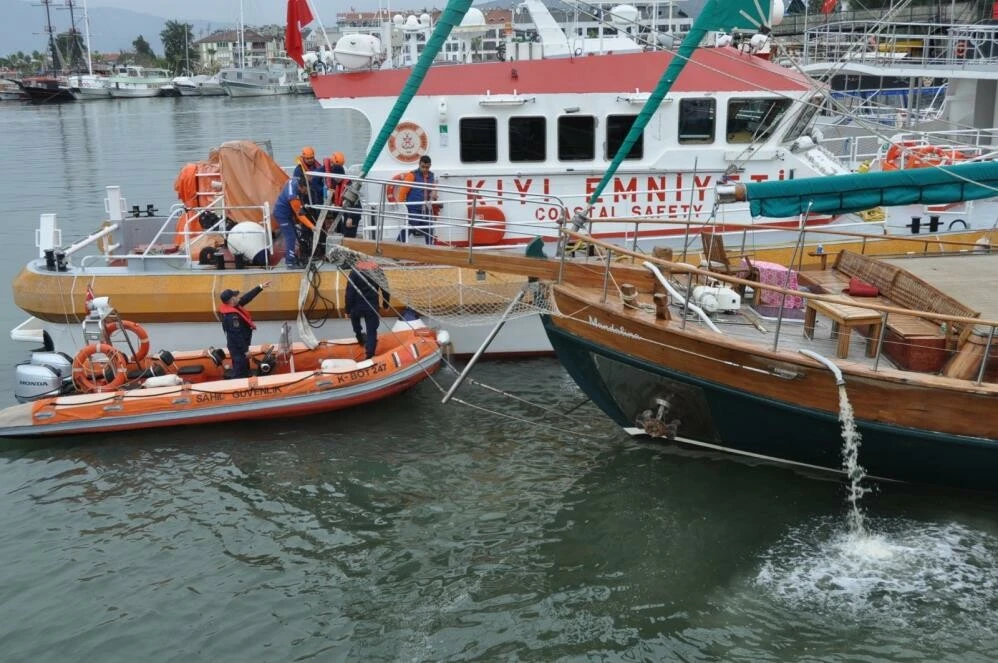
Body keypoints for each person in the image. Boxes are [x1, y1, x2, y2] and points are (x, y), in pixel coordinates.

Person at [219, 282, 270, 378]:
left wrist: (260, 287)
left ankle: (246, 378)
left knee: (245, 368)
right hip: (238, 349)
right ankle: (238, 388)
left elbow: (246, 298)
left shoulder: (233, 306)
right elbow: (236, 336)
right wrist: (245, 350)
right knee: (240, 371)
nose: (238, 297)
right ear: (231, 299)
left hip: (240, 346)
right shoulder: (232, 317)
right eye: (235, 296)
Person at [344, 260, 390, 359]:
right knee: (371, 330)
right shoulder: (377, 270)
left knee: (355, 320)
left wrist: (347, 310)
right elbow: (385, 288)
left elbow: (349, 292)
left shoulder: (354, 272)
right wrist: (386, 304)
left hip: (356, 305)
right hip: (371, 305)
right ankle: (369, 354)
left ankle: (359, 336)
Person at [272, 177, 315, 268]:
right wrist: (312, 226)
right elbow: (300, 215)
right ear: (301, 187)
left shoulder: (295, 180)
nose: (306, 192)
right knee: (290, 237)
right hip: (282, 215)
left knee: (294, 234)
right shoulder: (293, 197)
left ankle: (292, 256)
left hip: (287, 213)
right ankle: (290, 262)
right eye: (306, 189)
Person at [396, 155, 437, 244]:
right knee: (412, 224)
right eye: (423, 167)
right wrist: (402, 206)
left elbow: (433, 190)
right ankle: (398, 244)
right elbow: (403, 191)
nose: (425, 169)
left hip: (426, 208)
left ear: (430, 166)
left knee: (429, 228)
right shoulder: (412, 175)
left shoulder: (431, 176)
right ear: (419, 164)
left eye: (427, 167)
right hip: (413, 207)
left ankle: (430, 249)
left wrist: (434, 194)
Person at [324, 151, 361, 238]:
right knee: (343, 233)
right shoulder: (339, 185)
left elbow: (356, 204)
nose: (334, 179)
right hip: (345, 213)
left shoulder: (349, 186)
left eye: (335, 176)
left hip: (352, 215)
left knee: (349, 235)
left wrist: (350, 218)